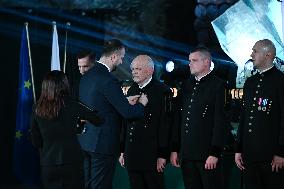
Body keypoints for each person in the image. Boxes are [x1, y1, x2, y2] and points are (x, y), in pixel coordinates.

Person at [78, 39, 148, 189]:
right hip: (103, 145)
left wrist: (123, 100)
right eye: (122, 57)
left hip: (86, 141)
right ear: (114, 57)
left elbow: (98, 104)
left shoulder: (87, 76)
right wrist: (142, 103)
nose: (122, 61)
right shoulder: (108, 80)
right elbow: (128, 113)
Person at [30, 70, 103, 189]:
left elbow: (35, 140)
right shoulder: (72, 104)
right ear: (64, 85)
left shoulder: (37, 107)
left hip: (48, 163)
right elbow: (98, 120)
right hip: (72, 161)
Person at [170, 47, 226, 189]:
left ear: (206, 62)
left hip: (207, 155)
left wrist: (214, 153)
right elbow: (179, 119)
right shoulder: (187, 85)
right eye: (189, 61)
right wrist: (175, 149)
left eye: (194, 60)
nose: (190, 64)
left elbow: (220, 122)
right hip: (187, 154)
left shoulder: (218, 85)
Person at [235, 39, 284, 189]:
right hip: (249, 155)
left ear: (268, 54)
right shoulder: (250, 82)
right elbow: (244, 117)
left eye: (255, 51)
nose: (251, 54)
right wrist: (238, 149)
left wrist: (281, 152)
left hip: (271, 156)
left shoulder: (281, 81)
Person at [119, 55, 172, 189]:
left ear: (150, 71)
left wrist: (162, 154)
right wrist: (122, 151)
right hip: (132, 153)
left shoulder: (163, 91)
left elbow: (165, 125)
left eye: (138, 68)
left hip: (151, 155)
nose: (134, 72)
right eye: (133, 69)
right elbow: (126, 122)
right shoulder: (132, 89)